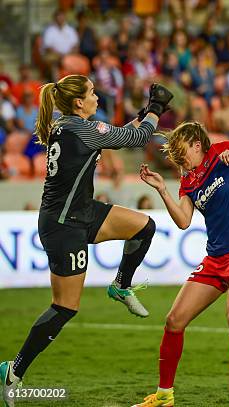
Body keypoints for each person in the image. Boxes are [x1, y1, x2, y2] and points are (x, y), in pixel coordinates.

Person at [0, 75, 173, 407]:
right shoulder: (83, 129)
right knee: (65, 307)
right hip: (64, 225)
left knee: (144, 227)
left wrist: (141, 114)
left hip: (82, 212)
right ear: (79, 102)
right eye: (92, 92)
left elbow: (118, 132)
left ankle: (121, 285)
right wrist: (157, 108)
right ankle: (14, 370)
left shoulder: (71, 126)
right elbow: (135, 138)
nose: (97, 96)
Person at [133, 122, 229, 407]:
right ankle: (164, 395)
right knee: (174, 320)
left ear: (197, 144)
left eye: (183, 154)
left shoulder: (221, 151)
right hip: (216, 259)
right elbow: (183, 221)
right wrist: (162, 190)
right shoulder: (188, 181)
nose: (180, 161)